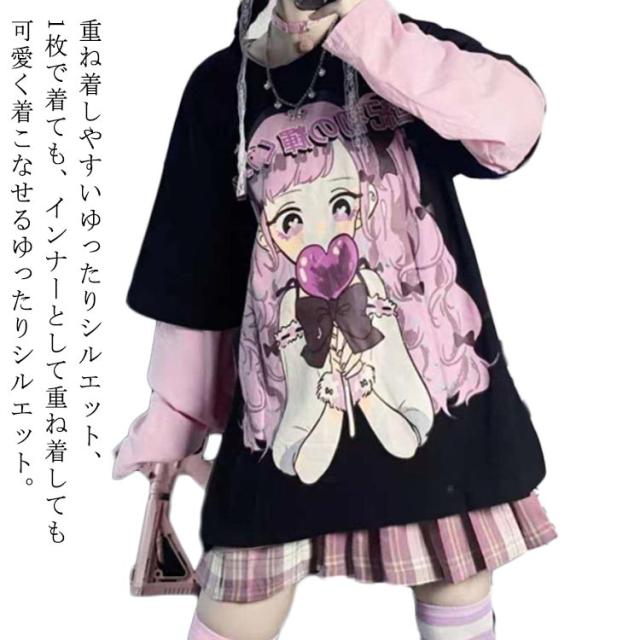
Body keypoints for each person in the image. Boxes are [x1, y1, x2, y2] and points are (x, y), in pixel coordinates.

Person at [112, 1, 559, 638]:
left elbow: (515, 126)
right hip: (282, 416)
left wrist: (368, 33)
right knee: (239, 602)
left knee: (455, 579)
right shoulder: (219, 89)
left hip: (437, 427)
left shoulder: (404, 51)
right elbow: (193, 273)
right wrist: (172, 420)